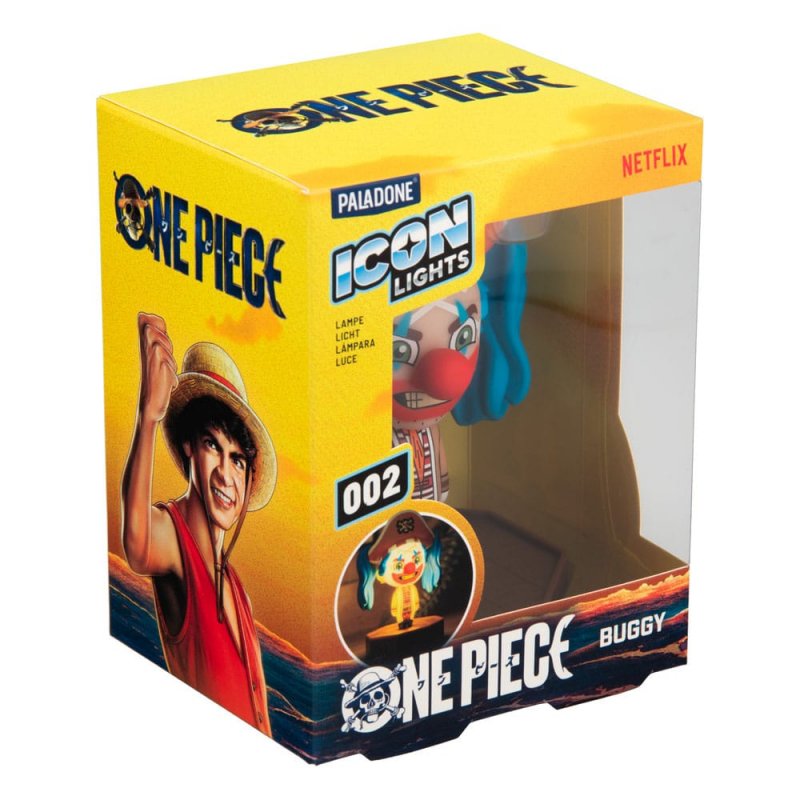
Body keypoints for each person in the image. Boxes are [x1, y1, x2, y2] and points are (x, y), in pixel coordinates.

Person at [121, 312, 277, 734]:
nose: (226, 474)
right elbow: (137, 543)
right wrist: (148, 418)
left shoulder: (238, 591)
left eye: (238, 460)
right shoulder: (173, 537)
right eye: (213, 445)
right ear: (190, 445)